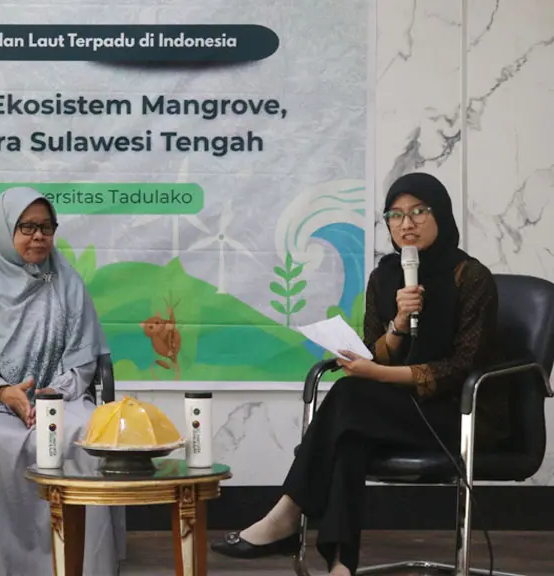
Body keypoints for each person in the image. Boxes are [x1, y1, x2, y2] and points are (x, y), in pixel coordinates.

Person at [210, 172, 507, 575]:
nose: (406, 224)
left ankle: (287, 514)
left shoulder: (471, 277)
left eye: (419, 211)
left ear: (441, 215)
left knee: (349, 398)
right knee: (350, 436)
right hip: (398, 410)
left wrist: (378, 375)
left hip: (462, 413)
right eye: (395, 215)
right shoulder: (384, 277)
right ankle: (341, 565)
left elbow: (462, 367)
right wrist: (398, 323)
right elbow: (374, 352)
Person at [0, 187, 126, 575]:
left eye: (46, 227)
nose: (39, 236)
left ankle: (80, 563)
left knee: (85, 432)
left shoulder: (68, 282)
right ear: (3, 230)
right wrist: (3, 391)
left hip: (57, 397)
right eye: (27, 227)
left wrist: (53, 394)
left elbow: (83, 359)